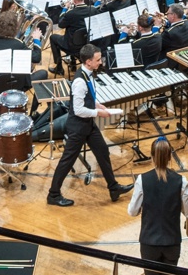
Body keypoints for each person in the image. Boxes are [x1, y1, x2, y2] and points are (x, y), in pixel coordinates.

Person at [47, 44, 133, 207]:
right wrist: (98, 113)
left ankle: (113, 188)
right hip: (78, 127)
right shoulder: (79, 81)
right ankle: (53, 194)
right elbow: (78, 110)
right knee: (67, 161)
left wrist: (97, 104)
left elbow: (87, 98)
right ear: (88, 62)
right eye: (97, 60)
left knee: (102, 151)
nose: (100, 62)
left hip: (88, 125)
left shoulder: (88, 74)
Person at [127, 138, 188, 275]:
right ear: (170, 157)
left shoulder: (142, 180)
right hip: (172, 243)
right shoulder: (181, 181)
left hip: (149, 243)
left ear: (152, 157)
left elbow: (132, 211)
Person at [0, 14, 46, 113]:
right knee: (43, 73)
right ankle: (33, 111)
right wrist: (37, 40)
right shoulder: (18, 44)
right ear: (14, 28)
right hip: (18, 86)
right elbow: (36, 58)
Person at [48, 0, 97, 75]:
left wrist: (65, 8)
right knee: (74, 34)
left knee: (53, 37)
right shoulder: (92, 10)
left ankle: (59, 68)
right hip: (86, 42)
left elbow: (60, 24)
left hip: (71, 45)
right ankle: (73, 63)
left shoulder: (71, 13)